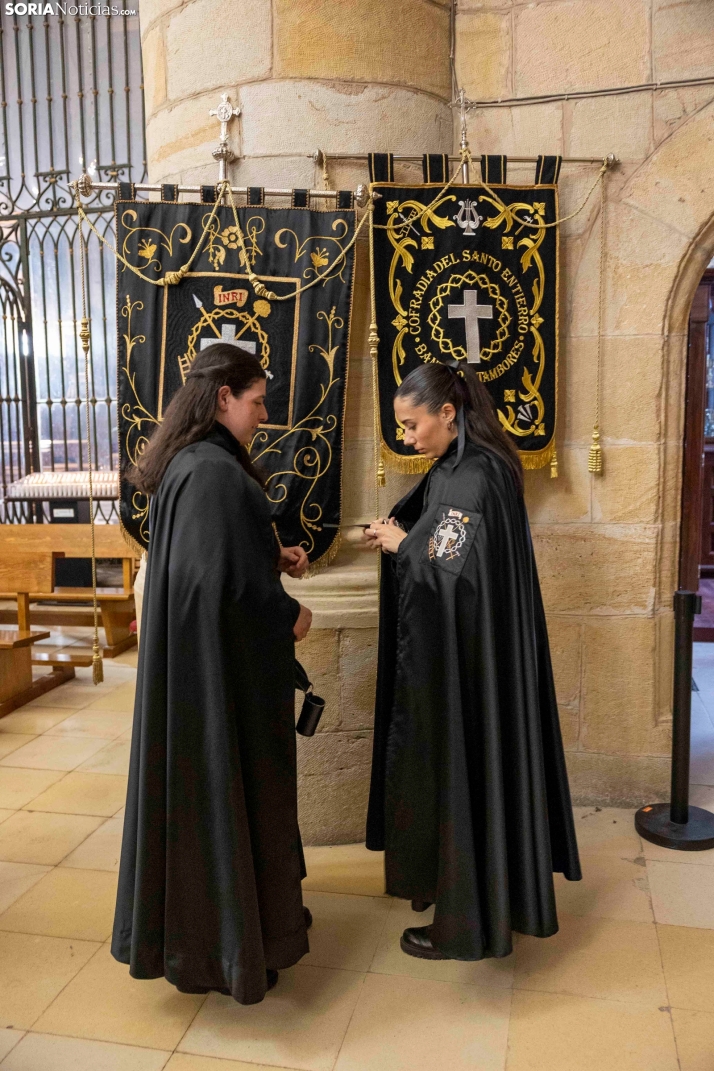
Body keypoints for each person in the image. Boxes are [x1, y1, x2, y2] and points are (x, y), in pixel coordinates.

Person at [112, 344, 313, 1005]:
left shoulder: (196, 463)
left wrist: (270, 554)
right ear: (223, 395)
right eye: (256, 400)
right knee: (231, 806)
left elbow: (214, 563)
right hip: (219, 692)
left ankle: (241, 936)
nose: (263, 412)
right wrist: (287, 613)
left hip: (203, 680)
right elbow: (215, 585)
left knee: (222, 807)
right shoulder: (215, 474)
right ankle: (229, 948)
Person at [364, 361, 581, 962]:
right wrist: (402, 534)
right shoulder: (475, 466)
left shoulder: (470, 478)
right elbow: (448, 547)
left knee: (465, 773)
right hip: (477, 656)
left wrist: (399, 544)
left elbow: (448, 568)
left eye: (412, 426)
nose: (407, 438)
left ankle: (466, 922)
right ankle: (461, 888)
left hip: (467, 667)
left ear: (448, 414)